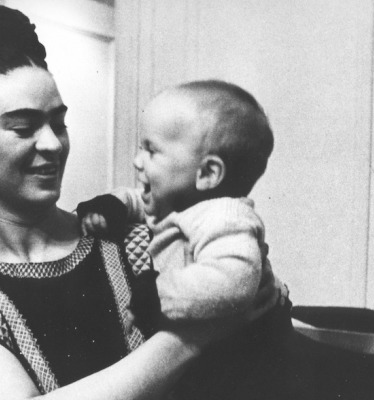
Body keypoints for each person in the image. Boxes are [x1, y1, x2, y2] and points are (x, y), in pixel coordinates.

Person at [0, 6, 283, 400]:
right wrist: (193, 337)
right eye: (24, 128)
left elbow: (260, 314)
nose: (53, 144)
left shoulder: (140, 239)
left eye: (58, 123)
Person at [78, 80, 298, 399]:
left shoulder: (225, 216)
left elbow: (234, 279)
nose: (137, 161)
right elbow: (140, 201)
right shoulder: (183, 207)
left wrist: (158, 296)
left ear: (207, 174)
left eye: (151, 150)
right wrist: (113, 205)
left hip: (251, 362)